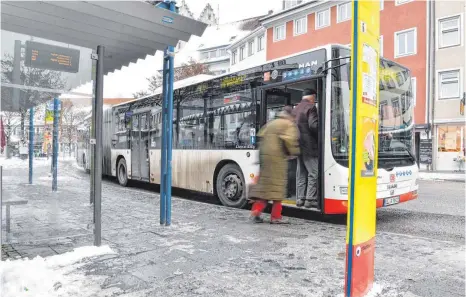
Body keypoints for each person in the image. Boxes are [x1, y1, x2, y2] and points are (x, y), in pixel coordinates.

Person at [248, 106, 300, 224]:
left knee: (265, 189)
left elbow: (260, 137)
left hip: (264, 158)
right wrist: (294, 153)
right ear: (291, 116)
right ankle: (276, 217)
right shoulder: (288, 124)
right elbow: (290, 141)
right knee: (277, 189)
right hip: (277, 159)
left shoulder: (271, 123)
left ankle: (255, 212)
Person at [293, 88, 319, 208]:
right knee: (313, 172)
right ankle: (310, 199)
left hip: (297, 145)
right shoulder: (311, 107)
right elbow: (313, 125)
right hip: (309, 145)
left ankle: (300, 199)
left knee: (301, 173)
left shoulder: (295, 108)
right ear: (312, 97)